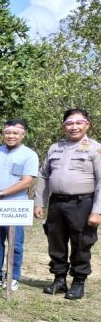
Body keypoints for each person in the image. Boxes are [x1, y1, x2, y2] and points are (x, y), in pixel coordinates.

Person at [34, 108, 101, 300]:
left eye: (78, 123)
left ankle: (78, 282)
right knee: (56, 241)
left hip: (83, 203)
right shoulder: (55, 148)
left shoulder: (95, 149)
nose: (74, 127)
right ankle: (59, 279)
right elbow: (44, 175)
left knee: (81, 243)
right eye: (69, 123)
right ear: (64, 126)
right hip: (56, 203)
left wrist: (98, 211)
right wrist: (39, 202)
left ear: (87, 124)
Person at [0, 119, 39, 291]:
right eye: (7, 133)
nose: (11, 136)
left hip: (15, 206)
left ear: (22, 135)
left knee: (15, 243)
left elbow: (27, 182)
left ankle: (12, 277)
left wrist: (0, 194)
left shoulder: (29, 155)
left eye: (15, 133)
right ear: (3, 134)